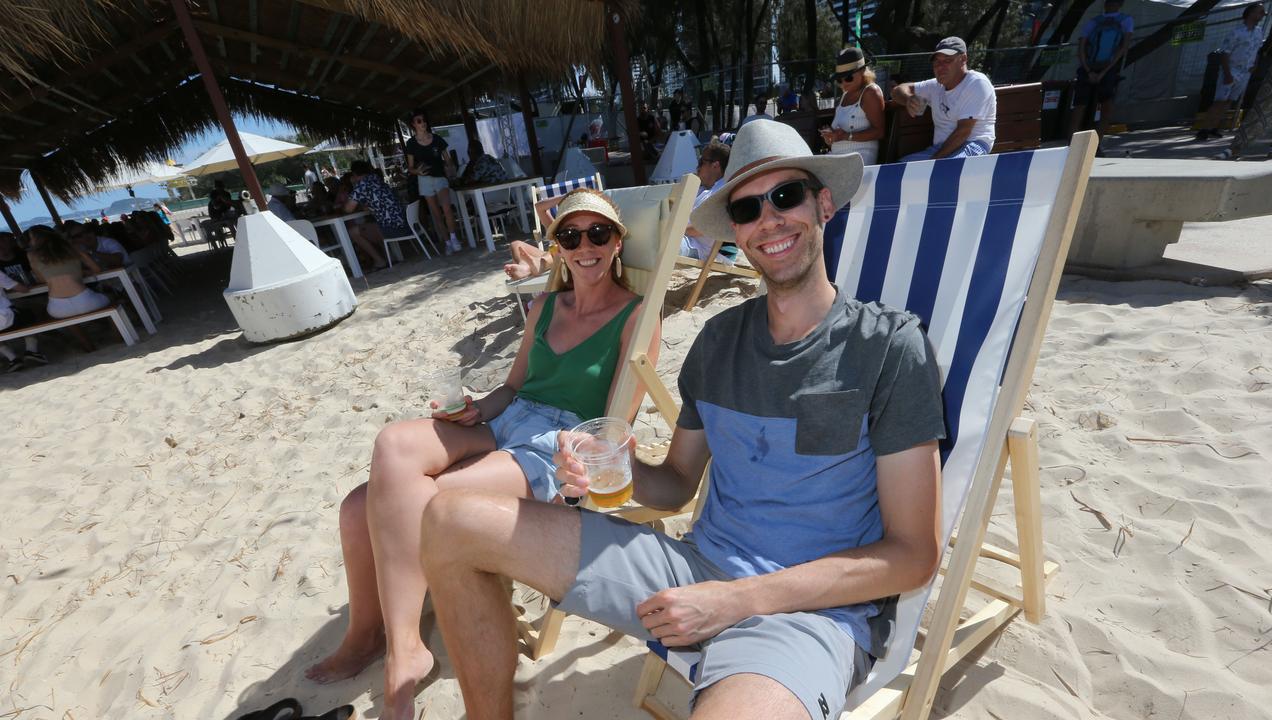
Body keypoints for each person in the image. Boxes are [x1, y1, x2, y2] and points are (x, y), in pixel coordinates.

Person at [418, 120, 945, 720]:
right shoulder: (719, 342)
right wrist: (607, 467)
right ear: (737, 234)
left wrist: (740, 600)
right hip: (693, 572)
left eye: (786, 196)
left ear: (823, 203)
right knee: (448, 518)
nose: (769, 219)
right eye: (747, 207)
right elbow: (674, 487)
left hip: (808, 616)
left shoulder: (888, 347)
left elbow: (913, 556)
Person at [304, 188, 661, 720]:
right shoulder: (544, 305)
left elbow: (614, 427)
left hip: (556, 442)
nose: (585, 246)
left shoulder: (636, 316)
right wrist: (474, 410)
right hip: (509, 418)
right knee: (393, 443)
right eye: (570, 236)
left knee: (366, 507)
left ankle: (397, 652)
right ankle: (378, 637)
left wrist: (582, 450)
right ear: (557, 246)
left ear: (616, 243)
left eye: (599, 234)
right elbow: (513, 385)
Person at [891, 36, 997, 162]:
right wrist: (908, 99)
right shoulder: (935, 86)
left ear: (963, 59)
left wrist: (933, 163)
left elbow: (963, 132)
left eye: (947, 61)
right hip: (940, 149)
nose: (940, 67)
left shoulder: (977, 83)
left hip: (973, 145)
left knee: (947, 171)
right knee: (900, 167)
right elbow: (897, 91)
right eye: (937, 62)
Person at [1197, 2, 1267, 142]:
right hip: (1232, 70)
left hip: (1245, 72)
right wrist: (1228, 74)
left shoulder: (1259, 31)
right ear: (1251, 13)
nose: (1262, 14)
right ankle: (1203, 129)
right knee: (1220, 101)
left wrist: (1256, 64)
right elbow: (1225, 53)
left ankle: (1214, 127)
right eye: (1259, 12)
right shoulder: (1236, 32)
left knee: (1229, 101)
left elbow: (1258, 49)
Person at [1070, 0, 1134, 148]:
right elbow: (1123, 48)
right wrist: (1104, 71)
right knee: (1106, 108)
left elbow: (1081, 48)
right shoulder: (1126, 20)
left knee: (1079, 106)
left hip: (1088, 68)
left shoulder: (1093, 22)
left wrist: (1088, 70)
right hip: (1108, 69)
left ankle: (1071, 144)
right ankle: (1095, 146)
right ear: (1121, 4)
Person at [404, 110, 462, 254]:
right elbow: (410, 168)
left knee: (447, 208)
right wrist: (417, 172)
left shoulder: (436, 139)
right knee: (436, 214)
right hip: (424, 180)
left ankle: (454, 238)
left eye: (423, 120)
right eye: (418, 121)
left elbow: (448, 160)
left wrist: (452, 171)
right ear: (413, 125)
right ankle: (447, 241)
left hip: (440, 177)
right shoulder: (411, 143)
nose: (422, 123)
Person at [26, 225, 110, 323]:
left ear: (35, 240)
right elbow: (96, 269)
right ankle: (117, 335)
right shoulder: (72, 247)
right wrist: (79, 272)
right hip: (86, 300)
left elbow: (42, 280)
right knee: (110, 299)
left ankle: (83, 339)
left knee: (63, 317)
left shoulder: (31, 255)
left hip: (57, 307)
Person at [822, 47, 885, 165]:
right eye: (840, 80)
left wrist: (846, 136)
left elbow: (879, 131)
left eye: (848, 78)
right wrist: (830, 138)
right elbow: (838, 138)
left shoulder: (871, 92)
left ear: (862, 71)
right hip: (838, 158)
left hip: (859, 159)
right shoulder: (844, 97)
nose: (843, 84)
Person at [680, 141, 739, 263]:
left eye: (702, 162)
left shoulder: (723, 192)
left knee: (658, 244)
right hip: (684, 240)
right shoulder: (702, 188)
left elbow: (704, 228)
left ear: (715, 165)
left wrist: (674, 228)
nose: (698, 167)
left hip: (699, 249)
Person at [343, 161, 403, 271]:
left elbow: (348, 209)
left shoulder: (362, 184)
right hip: (402, 223)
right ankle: (389, 256)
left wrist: (354, 184)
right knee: (372, 223)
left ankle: (380, 261)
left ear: (354, 174)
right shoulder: (376, 179)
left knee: (353, 232)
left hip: (390, 228)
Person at [0, 265, 46, 373]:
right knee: (30, 314)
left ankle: (13, 359)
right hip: (7, 319)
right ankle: (31, 350)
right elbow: (23, 289)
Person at [62, 221, 129, 268]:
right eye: (79, 236)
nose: (85, 235)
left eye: (87, 231)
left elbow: (118, 260)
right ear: (74, 240)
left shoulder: (108, 242)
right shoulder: (79, 249)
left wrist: (90, 252)